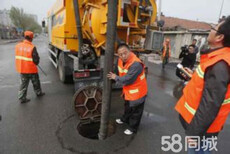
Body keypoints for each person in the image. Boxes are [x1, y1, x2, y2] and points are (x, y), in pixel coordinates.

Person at [175, 16, 230, 153]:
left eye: (213, 28)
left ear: (219, 37)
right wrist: (193, 76)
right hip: (202, 128)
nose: (210, 30)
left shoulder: (220, 64)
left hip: (201, 132)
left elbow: (210, 105)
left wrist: (193, 134)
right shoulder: (217, 59)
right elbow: (209, 86)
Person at [107, 43, 148, 135]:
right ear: (118, 55)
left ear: (130, 51)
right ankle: (125, 119)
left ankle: (133, 128)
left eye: (125, 53)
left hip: (138, 92)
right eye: (120, 54)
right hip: (128, 91)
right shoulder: (120, 60)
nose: (123, 56)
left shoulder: (136, 64)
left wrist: (115, 78)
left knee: (136, 111)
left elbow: (128, 80)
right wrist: (113, 76)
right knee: (128, 107)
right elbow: (118, 71)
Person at [15, 31, 45, 103]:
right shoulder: (32, 47)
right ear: (31, 38)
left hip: (22, 68)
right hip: (31, 69)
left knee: (23, 84)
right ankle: (38, 93)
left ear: (25, 37)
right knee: (35, 82)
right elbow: (36, 60)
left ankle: (22, 97)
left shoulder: (18, 46)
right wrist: (37, 62)